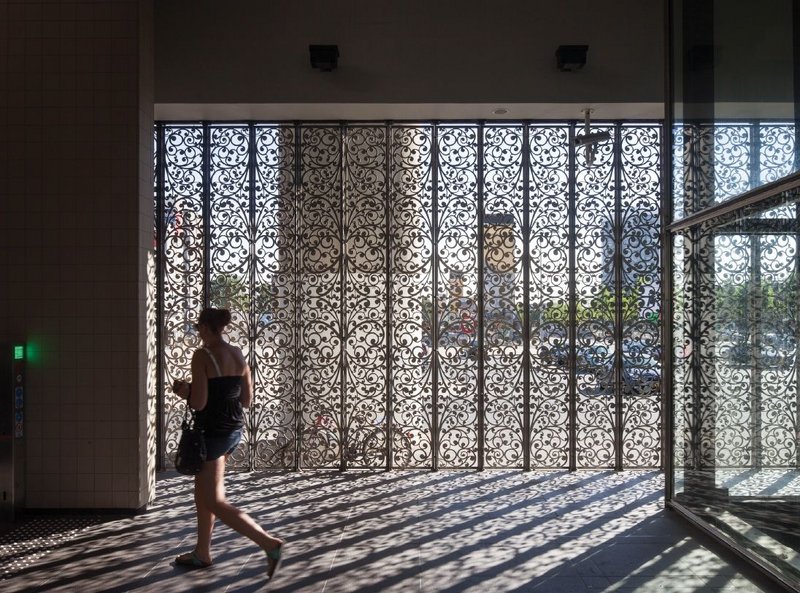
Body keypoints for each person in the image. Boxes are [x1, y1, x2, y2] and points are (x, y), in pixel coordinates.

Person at [171, 307, 284, 578]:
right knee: (203, 496)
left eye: (198, 327)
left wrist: (185, 392)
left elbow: (199, 402)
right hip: (233, 431)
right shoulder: (237, 353)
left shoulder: (202, 355)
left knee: (215, 500)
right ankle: (202, 553)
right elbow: (246, 400)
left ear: (207, 328)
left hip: (211, 433)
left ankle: (269, 543)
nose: (197, 332)